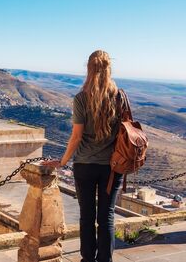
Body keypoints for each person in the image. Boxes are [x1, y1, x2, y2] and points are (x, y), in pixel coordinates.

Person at [44, 50, 124, 262]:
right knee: (106, 217)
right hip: (112, 167)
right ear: (109, 69)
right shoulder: (119, 97)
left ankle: (88, 259)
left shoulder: (81, 98)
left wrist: (62, 162)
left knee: (87, 216)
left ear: (88, 69)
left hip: (85, 166)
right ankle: (105, 260)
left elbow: (76, 137)